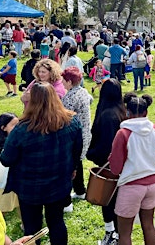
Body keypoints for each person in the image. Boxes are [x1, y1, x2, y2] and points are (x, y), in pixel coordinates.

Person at [0, 82, 83, 245]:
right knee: (57, 222)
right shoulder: (71, 122)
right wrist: (72, 168)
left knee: (32, 228)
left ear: (32, 101)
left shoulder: (22, 130)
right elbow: (77, 151)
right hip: (59, 183)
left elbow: (6, 159)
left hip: (30, 188)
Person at [108, 93, 155, 245]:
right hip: (152, 185)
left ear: (128, 112)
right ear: (146, 112)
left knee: (125, 233)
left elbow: (115, 168)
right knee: (148, 226)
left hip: (131, 186)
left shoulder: (123, 133)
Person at [86, 79, 126, 245]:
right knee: (116, 200)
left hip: (109, 163)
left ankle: (113, 234)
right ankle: (116, 233)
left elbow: (106, 144)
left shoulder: (107, 115)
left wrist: (91, 153)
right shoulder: (120, 111)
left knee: (108, 200)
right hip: (121, 163)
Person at [61, 67, 93, 211]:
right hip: (85, 132)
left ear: (69, 81)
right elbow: (91, 101)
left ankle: (68, 200)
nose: (61, 82)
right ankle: (80, 190)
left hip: (74, 136)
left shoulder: (69, 97)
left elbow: (63, 116)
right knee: (77, 162)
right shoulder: (83, 91)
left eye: (63, 80)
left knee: (71, 165)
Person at [0, 113, 20, 214]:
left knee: (23, 205)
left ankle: (26, 225)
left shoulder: (19, 139)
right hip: (4, 182)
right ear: (3, 128)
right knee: (2, 208)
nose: (17, 127)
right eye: (13, 125)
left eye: (18, 124)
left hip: (18, 179)